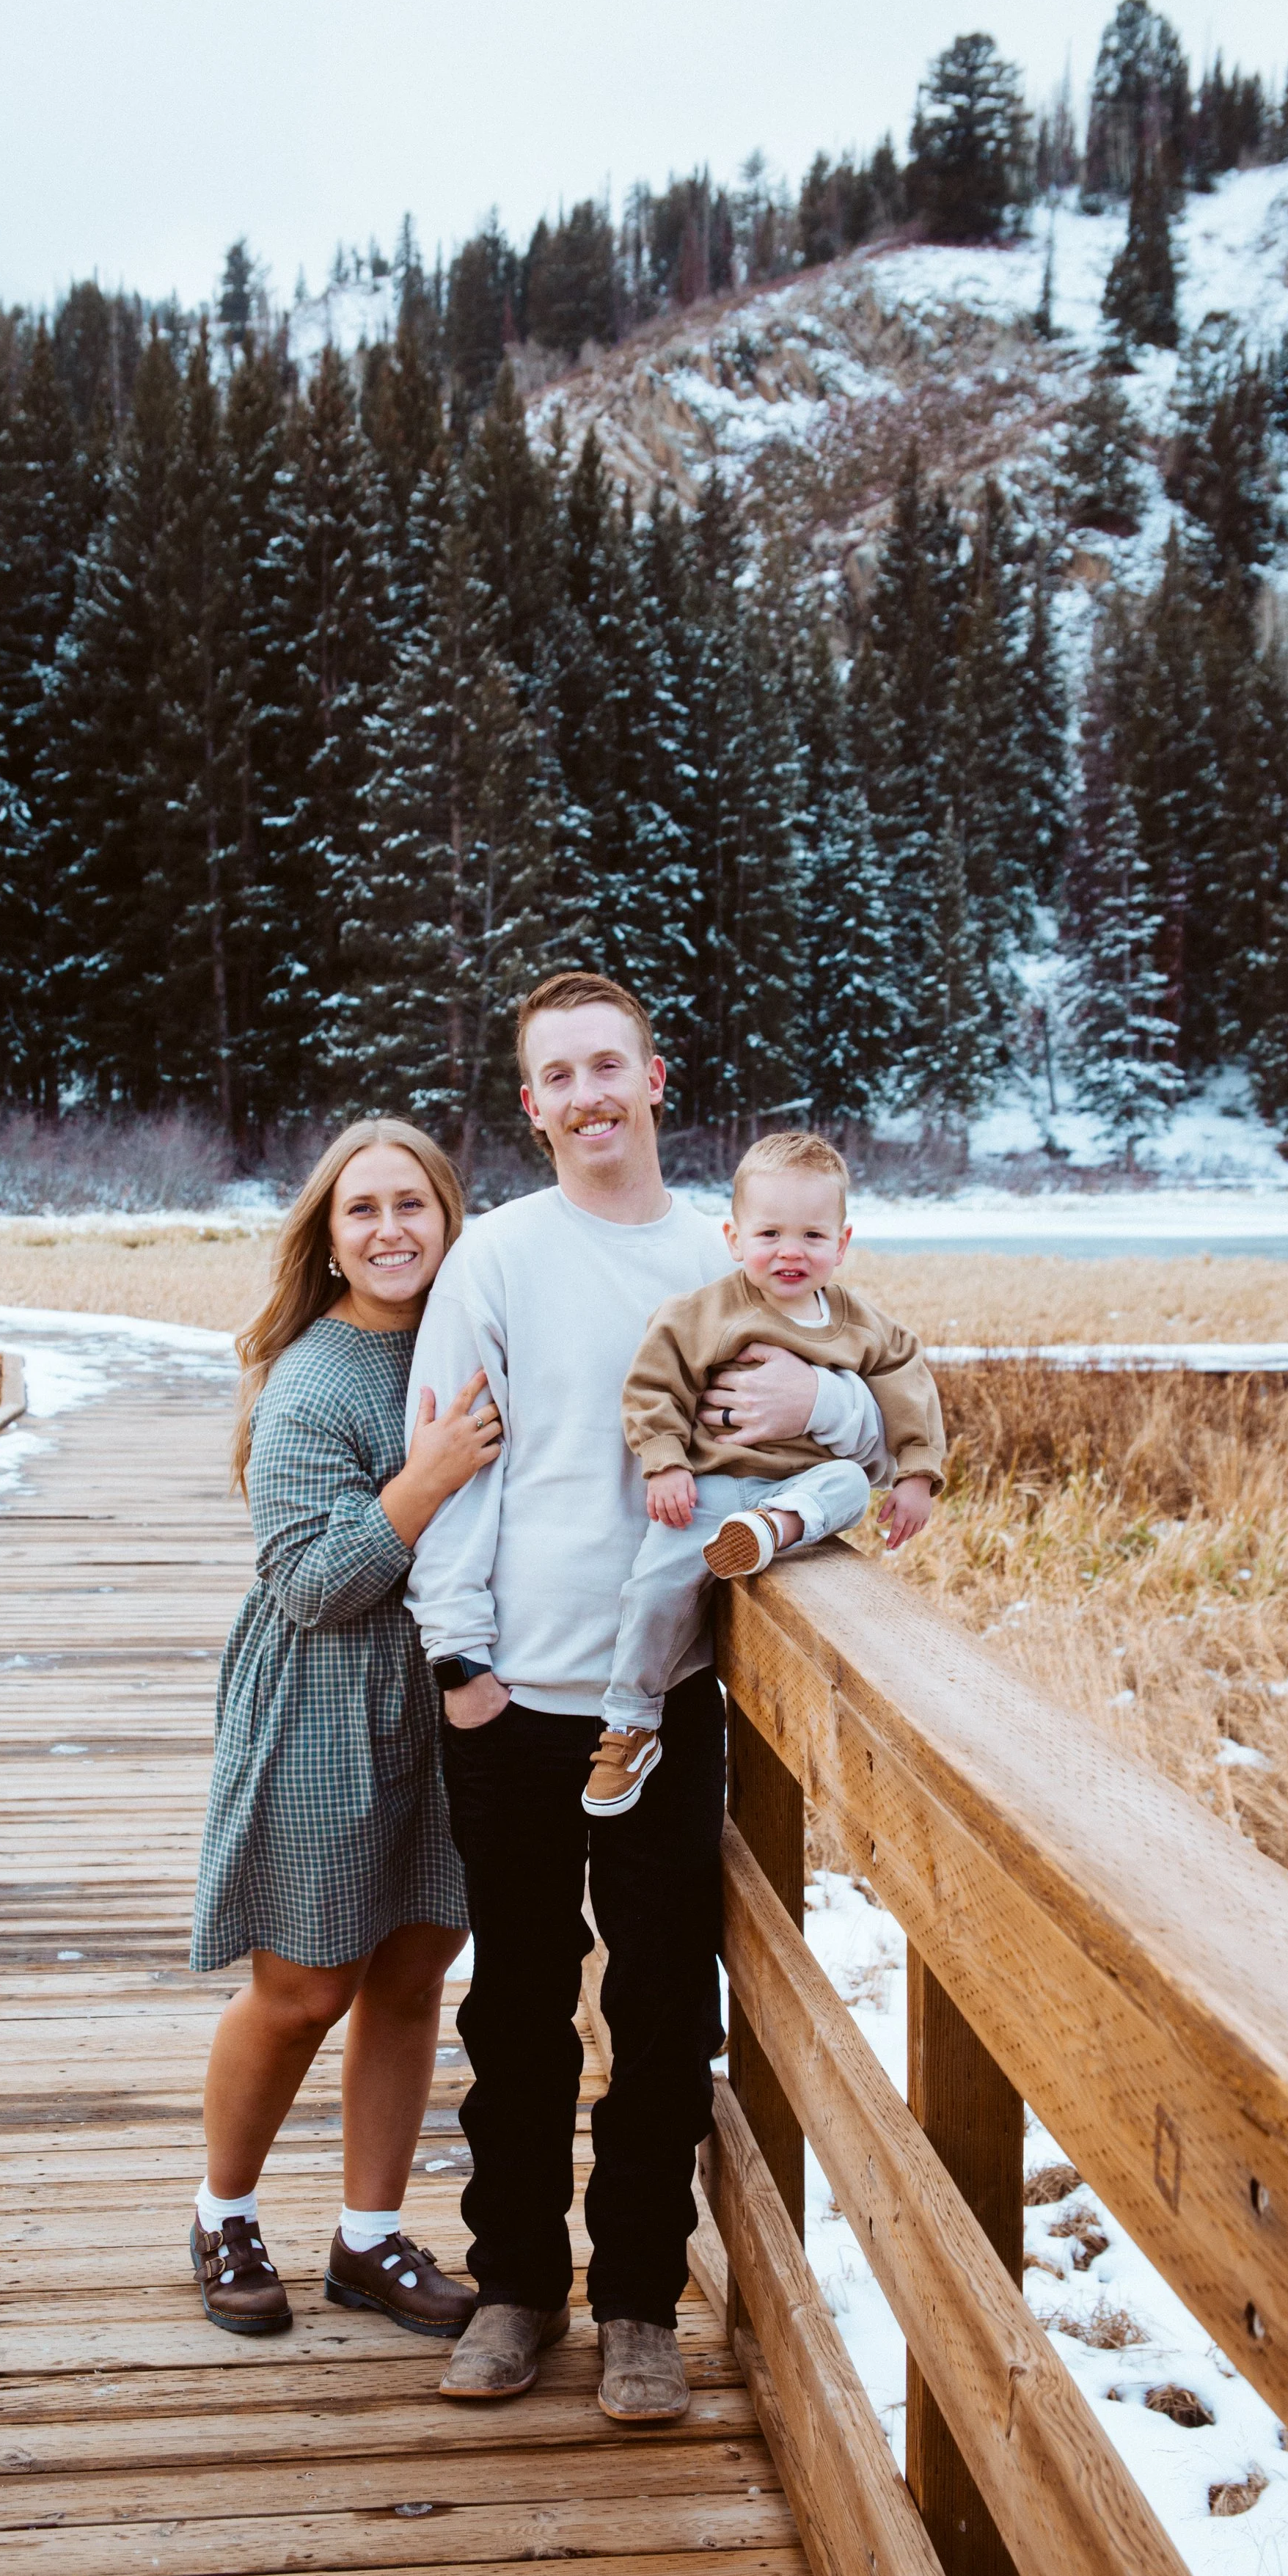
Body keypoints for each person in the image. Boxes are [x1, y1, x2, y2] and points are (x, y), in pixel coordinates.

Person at [403, 971, 873, 2423]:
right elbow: (450, 1466)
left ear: (653, 1079)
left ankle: (637, 2309)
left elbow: (874, 1410)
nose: (587, 1094)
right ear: (530, 1103)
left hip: (662, 1701)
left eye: (608, 1065)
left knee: (664, 2009)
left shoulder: (731, 1250)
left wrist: (819, 1408)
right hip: (512, 1700)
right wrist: (460, 1667)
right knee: (519, 2011)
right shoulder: (495, 1259)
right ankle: (513, 2290)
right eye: (558, 1075)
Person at [189, 1119, 501, 2341]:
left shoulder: (470, 1342)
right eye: (362, 1209)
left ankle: (369, 2239)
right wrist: (425, 1480)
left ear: (449, 1220)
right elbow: (311, 1585)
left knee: (415, 1971)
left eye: (411, 1204)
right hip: (324, 1702)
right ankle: (223, 2212)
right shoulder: (313, 1381)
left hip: (451, 1700)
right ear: (327, 1239)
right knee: (306, 1985)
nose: (390, 1230)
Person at [586, 1127, 944, 1810]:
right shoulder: (705, 1313)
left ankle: (772, 1528)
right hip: (709, 1492)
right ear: (734, 1238)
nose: (790, 1251)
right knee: (652, 1588)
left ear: (842, 1244)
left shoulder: (859, 1324)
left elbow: (906, 1379)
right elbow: (654, 1385)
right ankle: (631, 1721)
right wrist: (664, 1463)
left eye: (812, 1235)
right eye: (770, 1233)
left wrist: (917, 1474)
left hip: (799, 1489)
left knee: (849, 1484)